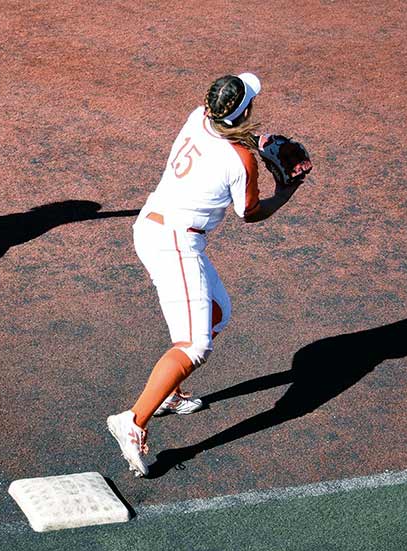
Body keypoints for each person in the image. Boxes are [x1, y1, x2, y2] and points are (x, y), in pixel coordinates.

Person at [106, 72, 303, 476]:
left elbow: (233, 140)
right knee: (196, 345)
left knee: (218, 313)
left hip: (153, 225)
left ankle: (168, 393)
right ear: (243, 110)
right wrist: (287, 191)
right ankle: (133, 421)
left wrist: (259, 142)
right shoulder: (241, 162)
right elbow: (250, 213)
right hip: (175, 243)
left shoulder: (198, 116)